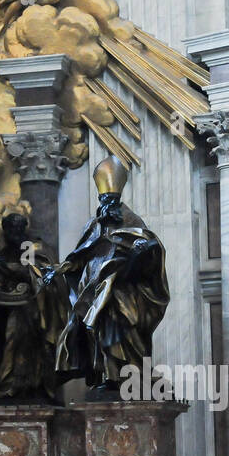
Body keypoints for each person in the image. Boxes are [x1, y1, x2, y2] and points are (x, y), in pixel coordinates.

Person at [46, 156, 169, 392]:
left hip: (122, 288)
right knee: (99, 333)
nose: (108, 205)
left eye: (112, 200)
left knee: (123, 329)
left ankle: (131, 376)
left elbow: (151, 247)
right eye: (104, 199)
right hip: (94, 290)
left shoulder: (132, 220)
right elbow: (78, 257)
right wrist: (57, 271)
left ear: (119, 200)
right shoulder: (94, 225)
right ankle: (110, 377)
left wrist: (142, 251)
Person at [0, 213, 67, 400]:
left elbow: (34, 273)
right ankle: (12, 383)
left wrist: (4, 268)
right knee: (7, 341)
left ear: (23, 229)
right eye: (9, 229)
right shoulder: (3, 251)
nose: (13, 233)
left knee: (16, 340)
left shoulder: (30, 248)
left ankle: (16, 385)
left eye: (17, 229)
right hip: (5, 307)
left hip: (31, 309)